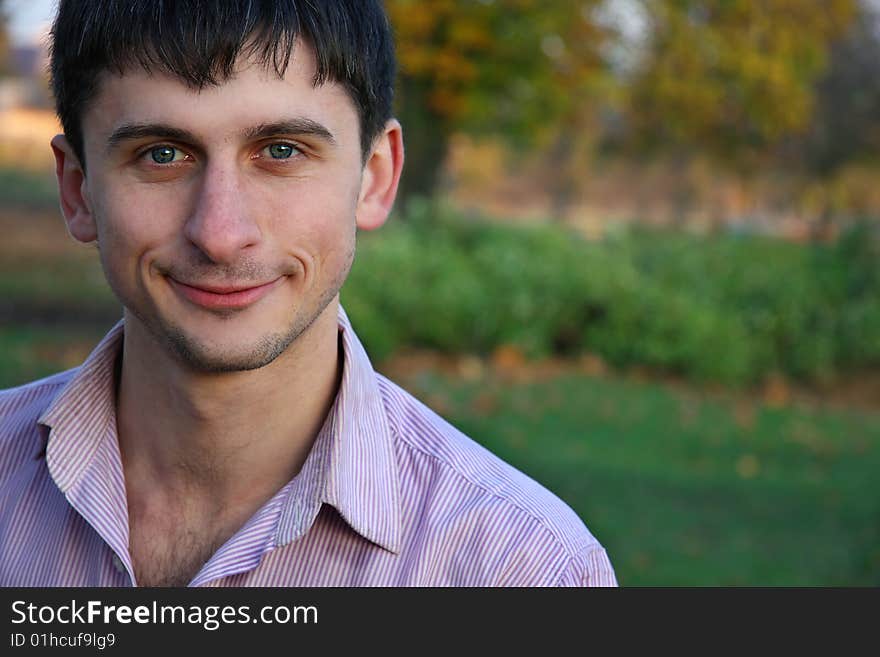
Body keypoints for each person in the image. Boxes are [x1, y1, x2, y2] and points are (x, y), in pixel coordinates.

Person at [0, 0, 616, 587]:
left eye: (281, 151)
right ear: (78, 190)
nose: (220, 234)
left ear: (375, 178)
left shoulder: (524, 572)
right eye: (162, 155)